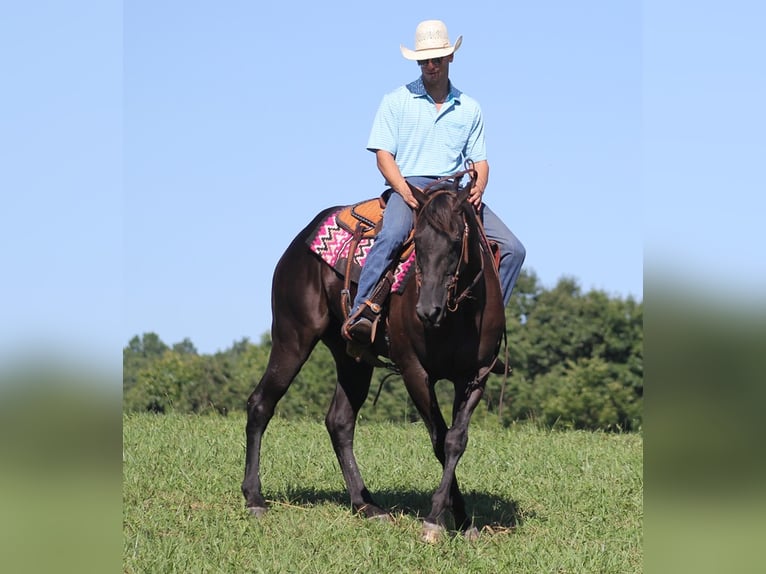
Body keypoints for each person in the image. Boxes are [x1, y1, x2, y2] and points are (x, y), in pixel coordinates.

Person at [342, 19, 526, 344]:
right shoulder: (396, 100)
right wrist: (402, 190)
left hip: (454, 193)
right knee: (393, 234)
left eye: (436, 59)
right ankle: (362, 311)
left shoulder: (469, 107)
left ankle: (489, 329)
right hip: (410, 185)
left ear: (450, 58)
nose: (430, 65)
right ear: (417, 62)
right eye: (424, 60)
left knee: (513, 249)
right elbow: (383, 154)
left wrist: (479, 188)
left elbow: (481, 161)